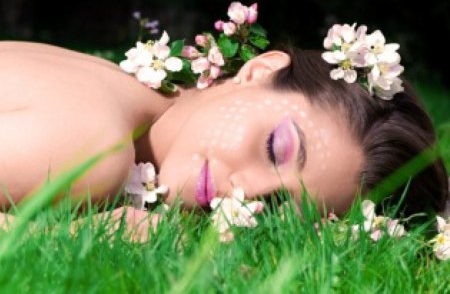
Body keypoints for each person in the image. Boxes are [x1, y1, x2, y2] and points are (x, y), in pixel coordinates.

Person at [0, 30, 448, 238]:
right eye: (276, 149)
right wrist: (64, 236)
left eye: (275, 207)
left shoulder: (117, 90)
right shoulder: (93, 148)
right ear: (260, 69)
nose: (246, 193)